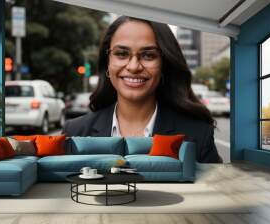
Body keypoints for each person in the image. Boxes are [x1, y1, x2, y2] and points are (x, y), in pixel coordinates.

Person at [62, 16, 222, 163]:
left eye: (148, 56)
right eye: (122, 54)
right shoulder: (75, 132)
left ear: (164, 65)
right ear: (107, 64)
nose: (133, 67)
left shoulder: (198, 135)